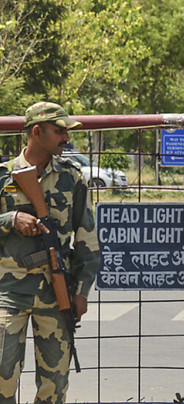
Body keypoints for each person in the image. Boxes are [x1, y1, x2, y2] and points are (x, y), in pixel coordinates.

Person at [0, 102, 100, 403]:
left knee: (55, 384)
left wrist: (81, 292)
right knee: (2, 377)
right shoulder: (4, 175)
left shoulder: (72, 177)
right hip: (9, 291)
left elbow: (87, 237)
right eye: (59, 131)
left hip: (56, 292)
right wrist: (11, 219)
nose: (66, 138)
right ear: (36, 131)